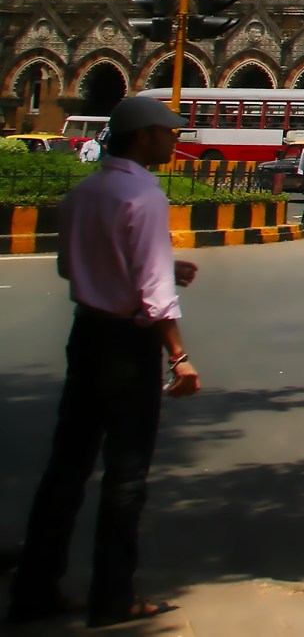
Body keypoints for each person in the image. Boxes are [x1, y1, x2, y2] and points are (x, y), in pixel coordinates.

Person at [8, 95, 201, 628]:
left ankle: (34, 589)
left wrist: (156, 267)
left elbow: (74, 267)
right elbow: (155, 293)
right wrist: (179, 356)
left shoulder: (84, 191)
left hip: (87, 334)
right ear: (143, 138)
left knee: (66, 468)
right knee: (127, 473)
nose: (175, 140)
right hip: (128, 348)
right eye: (168, 132)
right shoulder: (143, 194)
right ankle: (113, 596)